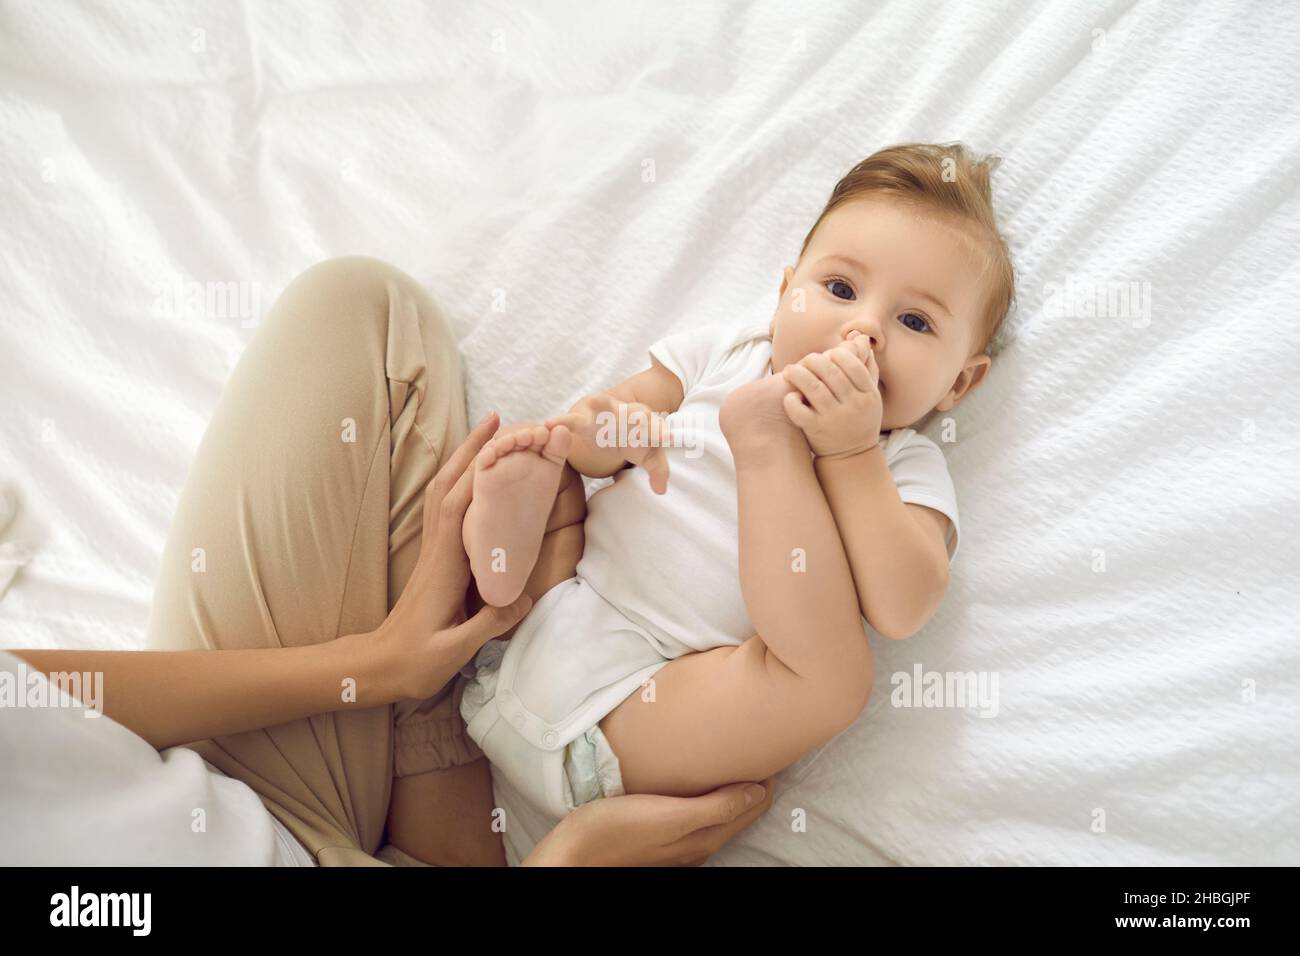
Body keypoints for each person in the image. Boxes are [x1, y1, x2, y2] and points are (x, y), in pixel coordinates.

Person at [2, 255, 774, 866]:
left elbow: (40, 699)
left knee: (365, 315)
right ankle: (491, 662)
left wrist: (380, 661)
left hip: (237, 783)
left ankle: (458, 653)